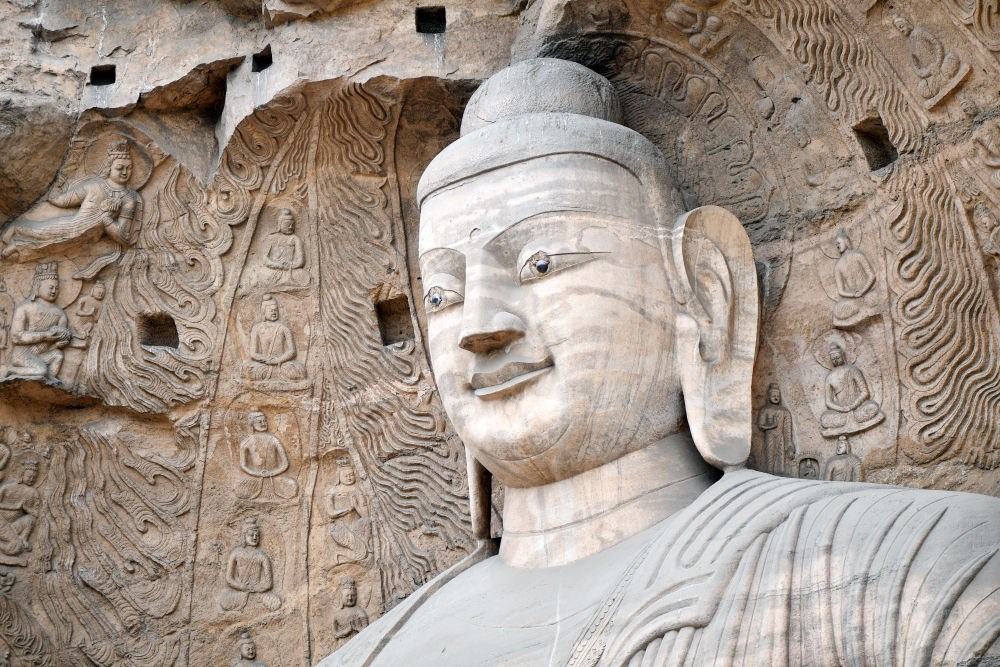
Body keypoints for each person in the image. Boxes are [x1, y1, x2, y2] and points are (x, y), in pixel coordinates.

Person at [321, 58, 1000, 667]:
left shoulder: (918, 574)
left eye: (540, 264)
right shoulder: (372, 653)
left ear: (703, 294)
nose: (479, 328)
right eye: (442, 295)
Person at [2, 139, 141, 260]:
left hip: (88, 239)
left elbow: (123, 237)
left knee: (49, 247)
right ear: (109, 167)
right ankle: (14, 233)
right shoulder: (94, 186)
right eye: (119, 168)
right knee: (40, 233)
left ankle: (17, 245)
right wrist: (56, 186)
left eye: (129, 168)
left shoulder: (128, 199)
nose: (125, 172)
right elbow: (63, 201)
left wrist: (106, 218)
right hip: (71, 226)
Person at [6, 262, 75, 380]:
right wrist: (45, 336)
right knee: (41, 370)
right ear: (38, 286)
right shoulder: (25, 308)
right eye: (50, 287)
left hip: (41, 355)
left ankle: (50, 380)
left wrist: (59, 344)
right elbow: (16, 337)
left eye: (57, 288)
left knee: (58, 355)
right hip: (22, 355)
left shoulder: (60, 314)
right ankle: (12, 370)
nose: (54, 291)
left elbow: (54, 346)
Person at [820, 342, 884, 437]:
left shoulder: (853, 370)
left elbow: (865, 392)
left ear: (843, 356)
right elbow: (828, 402)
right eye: (833, 359)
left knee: (873, 407)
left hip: (858, 409)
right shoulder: (829, 377)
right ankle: (849, 421)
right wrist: (842, 409)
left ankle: (849, 422)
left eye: (838, 357)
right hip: (842, 413)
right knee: (824, 419)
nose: (836, 360)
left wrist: (853, 405)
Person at [219, 518, 281, 612]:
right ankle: (254, 604)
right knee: (224, 600)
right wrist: (241, 586)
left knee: (275, 602)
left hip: (258, 592)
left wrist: (256, 588)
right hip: (241, 591)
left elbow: (269, 584)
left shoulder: (262, 556)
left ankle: (253, 602)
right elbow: (229, 579)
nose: (255, 538)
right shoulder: (236, 554)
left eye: (257, 535)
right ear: (244, 536)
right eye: (251, 535)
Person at [240, 294, 306, 382]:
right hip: (264, 365)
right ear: (264, 312)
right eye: (271, 310)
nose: (274, 312)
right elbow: (253, 353)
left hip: (282, 364)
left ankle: (278, 375)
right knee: (246, 369)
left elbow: (292, 351)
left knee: (299, 370)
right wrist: (266, 360)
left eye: (275, 310)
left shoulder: (283, 328)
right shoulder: (257, 328)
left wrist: (278, 360)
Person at [235, 409, 297, 500]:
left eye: (265, 421)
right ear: (252, 424)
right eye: (259, 422)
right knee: (239, 487)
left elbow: (285, 464)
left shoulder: (274, 440)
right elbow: (243, 466)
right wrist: (257, 474)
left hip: (274, 478)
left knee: (292, 484)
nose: (263, 424)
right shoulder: (247, 442)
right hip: (256, 478)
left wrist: (271, 473)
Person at [325, 457, 371, 565]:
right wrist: (348, 509)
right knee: (362, 553)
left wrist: (356, 507)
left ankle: (346, 553)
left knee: (367, 522)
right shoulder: (333, 491)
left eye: (351, 475)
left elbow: (365, 515)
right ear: (339, 476)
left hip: (356, 527)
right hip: (340, 528)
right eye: (346, 476)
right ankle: (341, 553)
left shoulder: (356, 490)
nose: (349, 478)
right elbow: (330, 513)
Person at [254, 209, 310, 288]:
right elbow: (265, 258)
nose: (290, 227)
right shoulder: (271, 238)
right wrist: (277, 265)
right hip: (273, 269)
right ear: (280, 224)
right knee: (262, 273)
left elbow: (301, 261)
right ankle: (284, 283)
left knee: (304, 274)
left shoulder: (295, 239)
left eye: (292, 225)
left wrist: (289, 265)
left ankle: (280, 283)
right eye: (287, 225)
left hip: (290, 270)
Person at [831, 229, 875, 325]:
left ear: (846, 241)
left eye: (839, 243)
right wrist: (854, 294)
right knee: (837, 310)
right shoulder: (838, 266)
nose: (837, 246)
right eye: (836, 245)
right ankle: (863, 309)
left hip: (868, 294)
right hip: (854, 300)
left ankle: (863, 310)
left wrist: (863, 291)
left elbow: (871, 275)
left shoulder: (858, 255)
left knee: (875, 297)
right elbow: (841, 291)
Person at [0, 458, 41, 560]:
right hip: (1, 522)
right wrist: (15, 507)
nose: (31, 479)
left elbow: (36, 514)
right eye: (29, 476)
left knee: (29, 519)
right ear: (22, 474)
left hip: (15, 525)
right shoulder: (7, 488)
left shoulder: (33, 493)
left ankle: (23, 538)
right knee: (15, 547)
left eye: (34, 477)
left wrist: (26, 508)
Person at [756, 382, 794, 475]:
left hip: (780, 435)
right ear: (769, 397)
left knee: (781, 455)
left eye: (777, 396)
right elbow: (760, 425)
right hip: (770, 435)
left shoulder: (785, 411)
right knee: (770, 454)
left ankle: (781, 473)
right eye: (773, 396)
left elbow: (787, 429)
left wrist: (789, 444)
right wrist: (772, 425)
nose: (776, 397)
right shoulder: (765, 410)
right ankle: (769, 473)